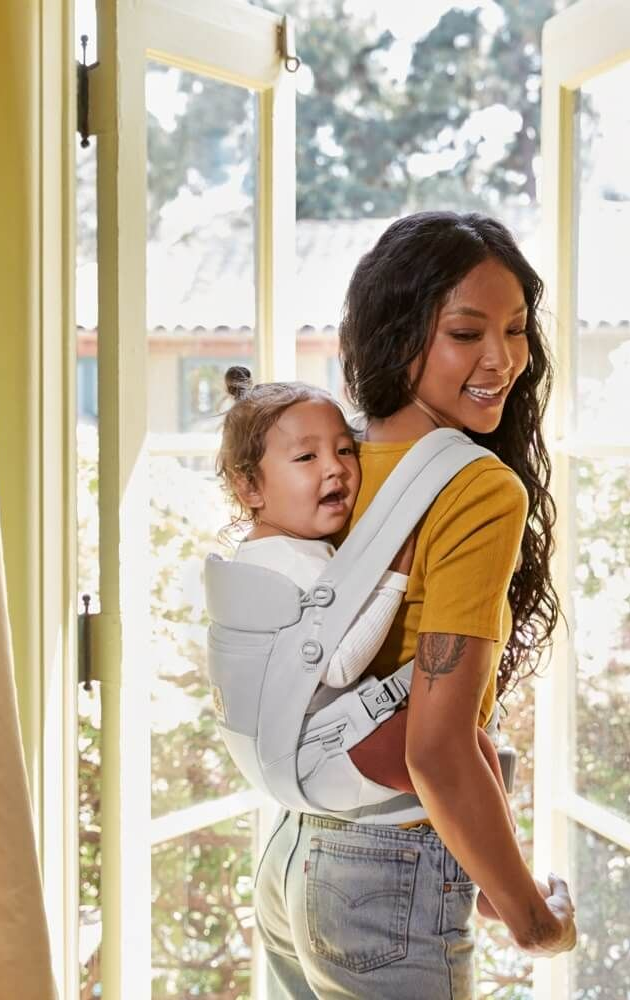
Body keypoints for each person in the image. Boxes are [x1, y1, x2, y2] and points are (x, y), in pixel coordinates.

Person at [253, 211, 577, 1000]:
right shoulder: (477, 486)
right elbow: (437, 746)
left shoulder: (332, 459)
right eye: (465, 333)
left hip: (294, 856)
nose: (501, 359)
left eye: (516, 329)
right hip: (385, 874)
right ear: (400, 334)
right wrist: (530, 917)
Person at [215, 366, 515, 862]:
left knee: (474, 753)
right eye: (307, 456)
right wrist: (396, 567)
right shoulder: (289, 561)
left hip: (299, 758)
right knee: (463, 752)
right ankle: (499, 882)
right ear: (250, 489)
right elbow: (335, 664)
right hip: (318, 752)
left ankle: (493, 874)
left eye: (345, 450)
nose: (334, 468)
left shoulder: (271, 549)